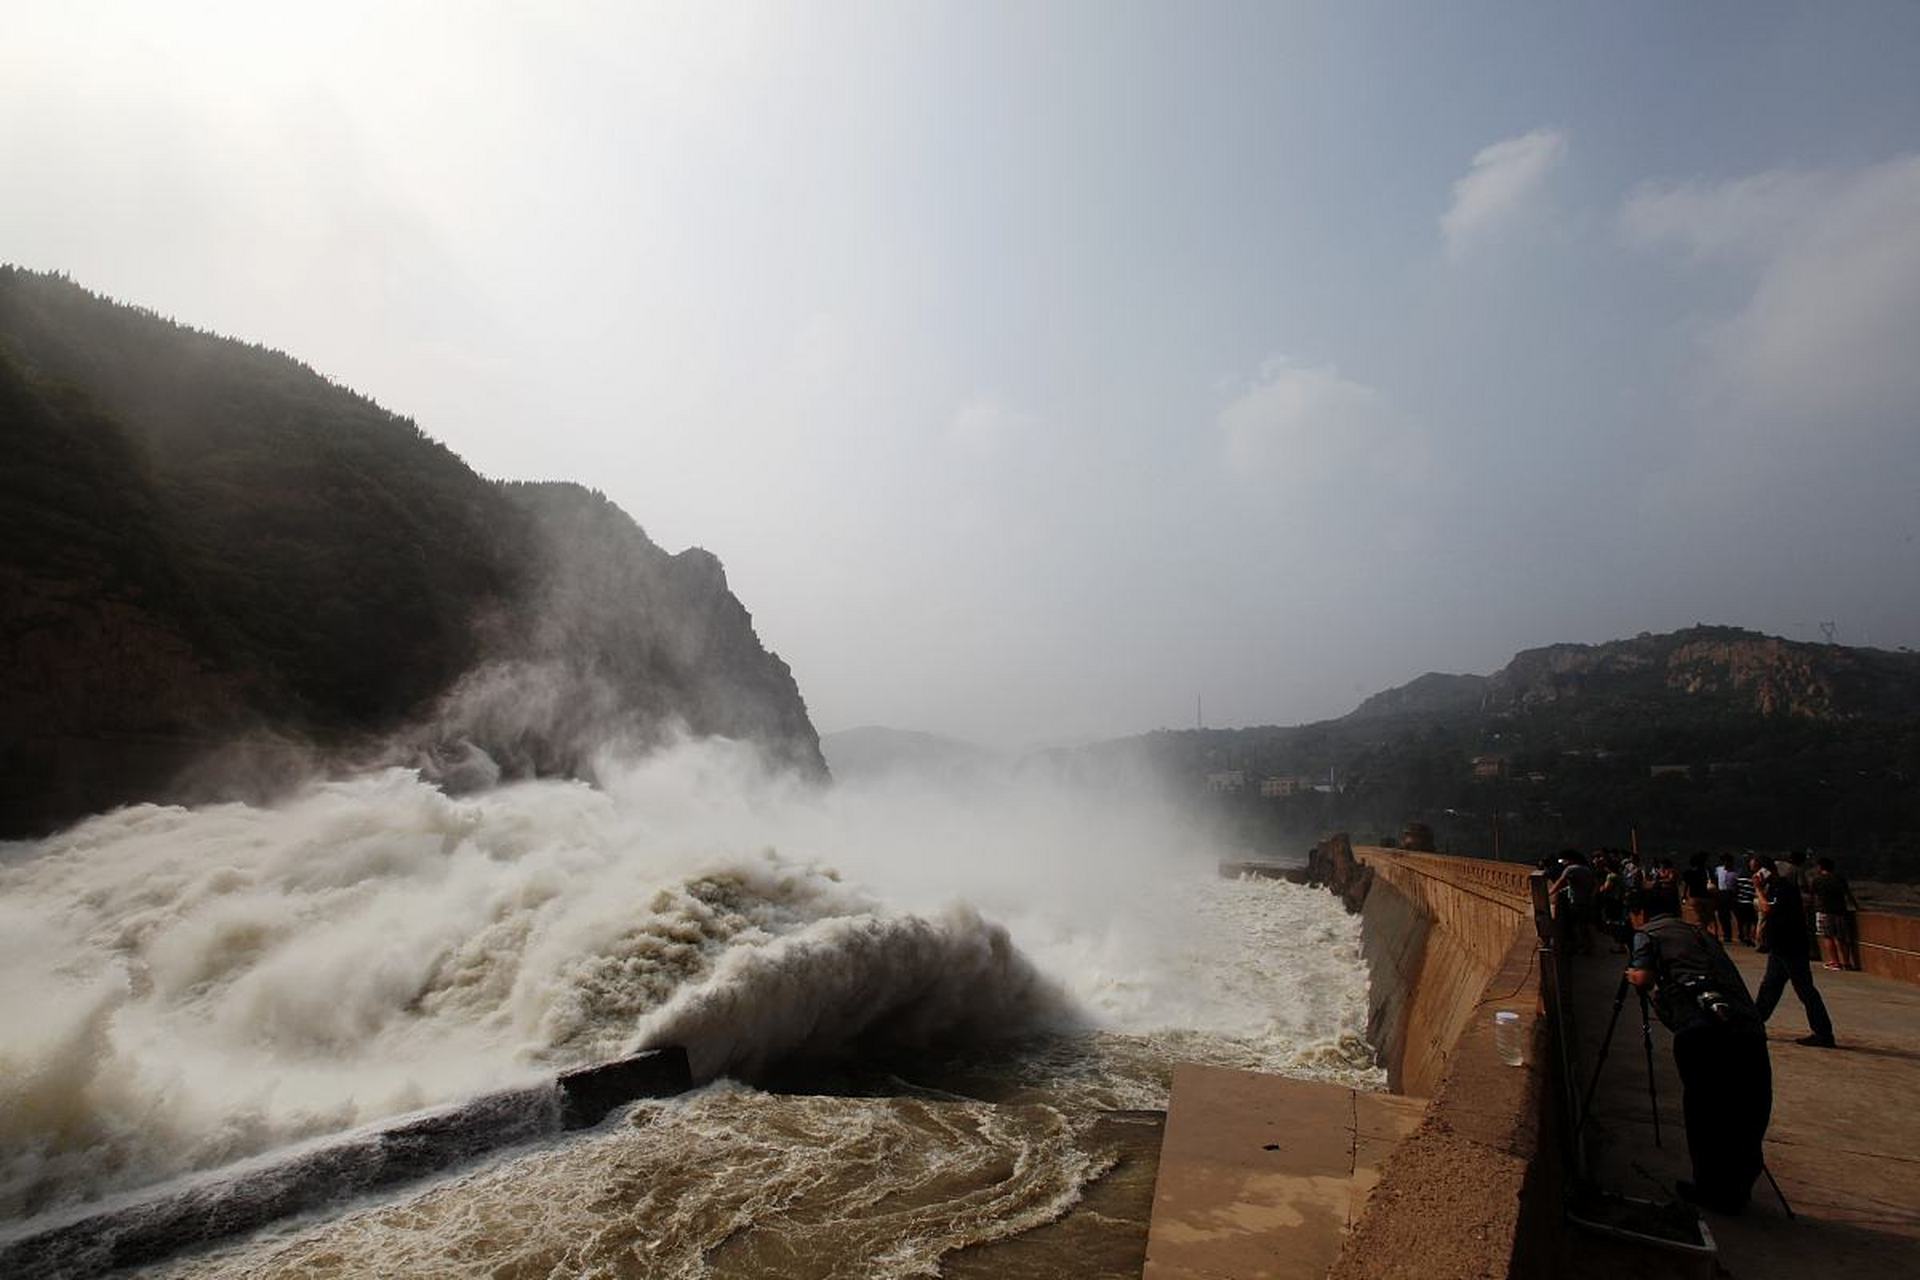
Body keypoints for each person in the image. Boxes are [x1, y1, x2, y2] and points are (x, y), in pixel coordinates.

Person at [1625, 890, 1772, 1214]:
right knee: (1748, 1109)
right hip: (1747, 1028)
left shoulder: (1646, 934)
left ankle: (1710, 1187)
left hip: (1701, 1030)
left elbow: (1645, 978)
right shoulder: (1700, 934)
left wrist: (1633, 975)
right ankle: (1738, 1188)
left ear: (1640, 913)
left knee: (1705, 1109)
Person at [1754, 867, 1837, 1047]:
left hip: (1790, 947)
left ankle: (1823, 1033)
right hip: (1780, 947)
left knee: (1805, 990)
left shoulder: (1782, 889)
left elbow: (1767, 909)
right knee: (1770, 987)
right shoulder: (1778, 888)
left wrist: (1758, 889)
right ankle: (1753, 1024)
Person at [1811, 857, 1861, 972]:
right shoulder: (1839, 878)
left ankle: (1835, 962)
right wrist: (1857, 907)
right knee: (1841, 937)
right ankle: (1846, 962)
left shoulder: (1817, 880)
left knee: (1828, 937)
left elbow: (1814, 896)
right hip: (1840, 911)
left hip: (1824, 911)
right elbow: (1848, 894)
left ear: (1820, 867)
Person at [1714, 854, 1739, 942]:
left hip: (1731, 893)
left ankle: (1736, 934)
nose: (1726, 863)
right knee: (1722, 915)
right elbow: (1715, 880)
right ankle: (1726, 934)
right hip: (1721, 893)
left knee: (1732, 915)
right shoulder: (1718, 870)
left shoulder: (1735, 872)